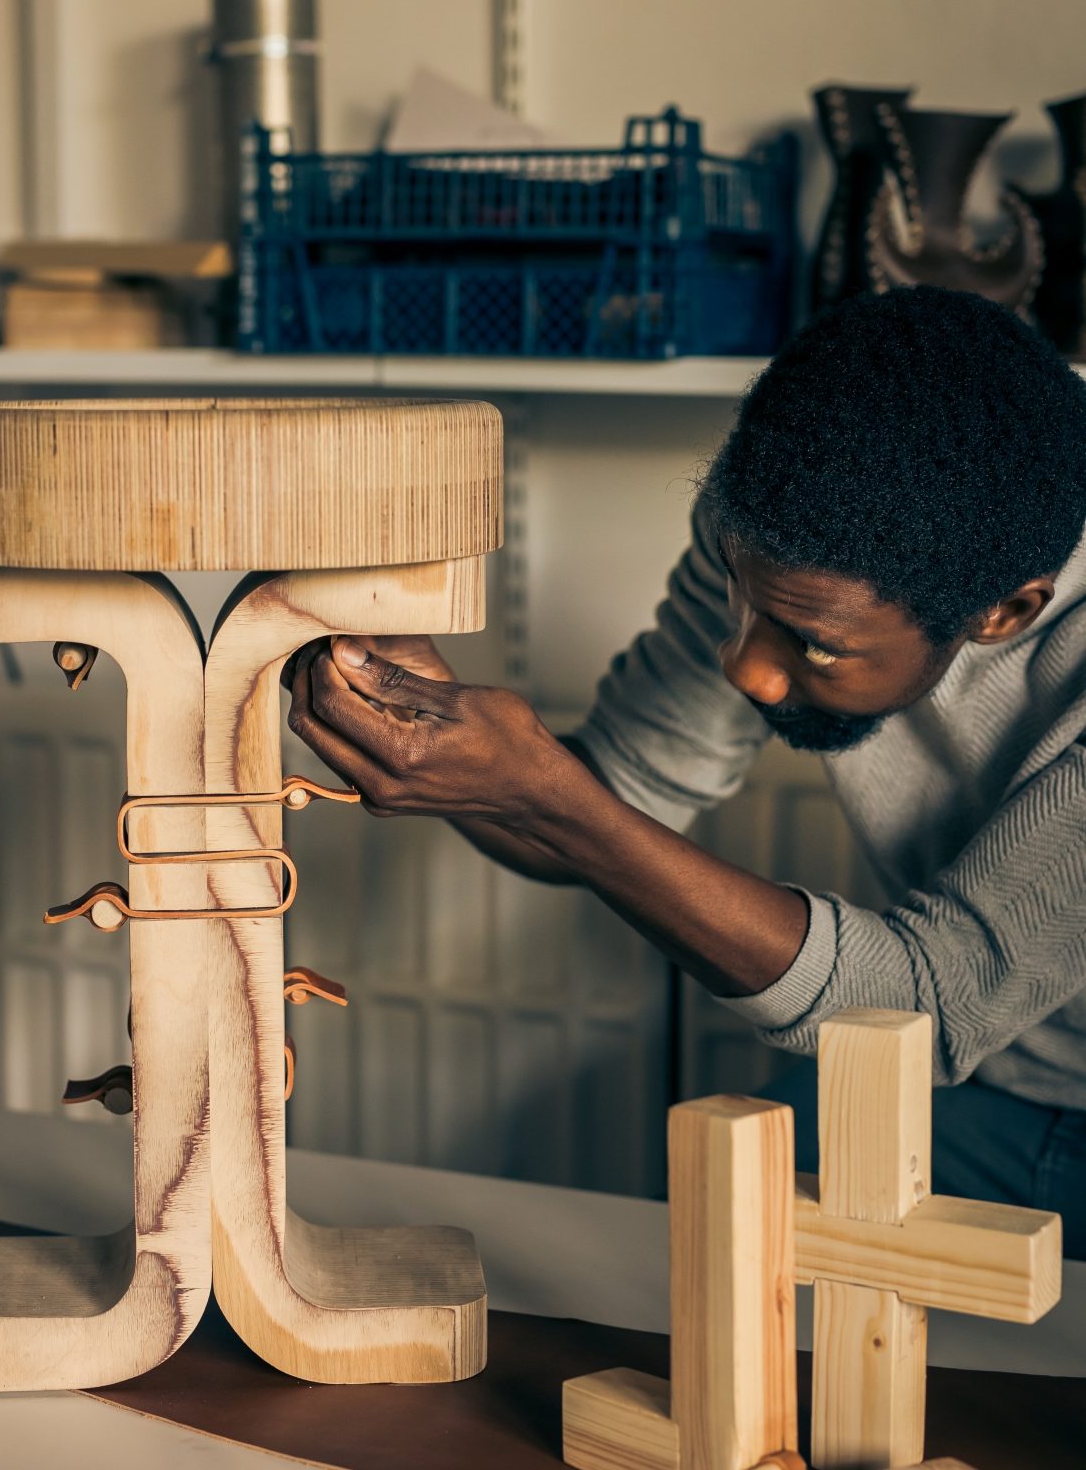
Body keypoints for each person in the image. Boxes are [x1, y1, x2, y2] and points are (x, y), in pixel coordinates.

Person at [285, 285, 1086, 1254]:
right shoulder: (778, 538)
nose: (744, 667)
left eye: (812, 645)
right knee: (716, 1241)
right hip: (977, 1099)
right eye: (743, 602)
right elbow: (615, 794)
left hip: (962, 1043)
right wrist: (440, 726)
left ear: (1004, 611)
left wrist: (550, 794)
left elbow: (934, 997)